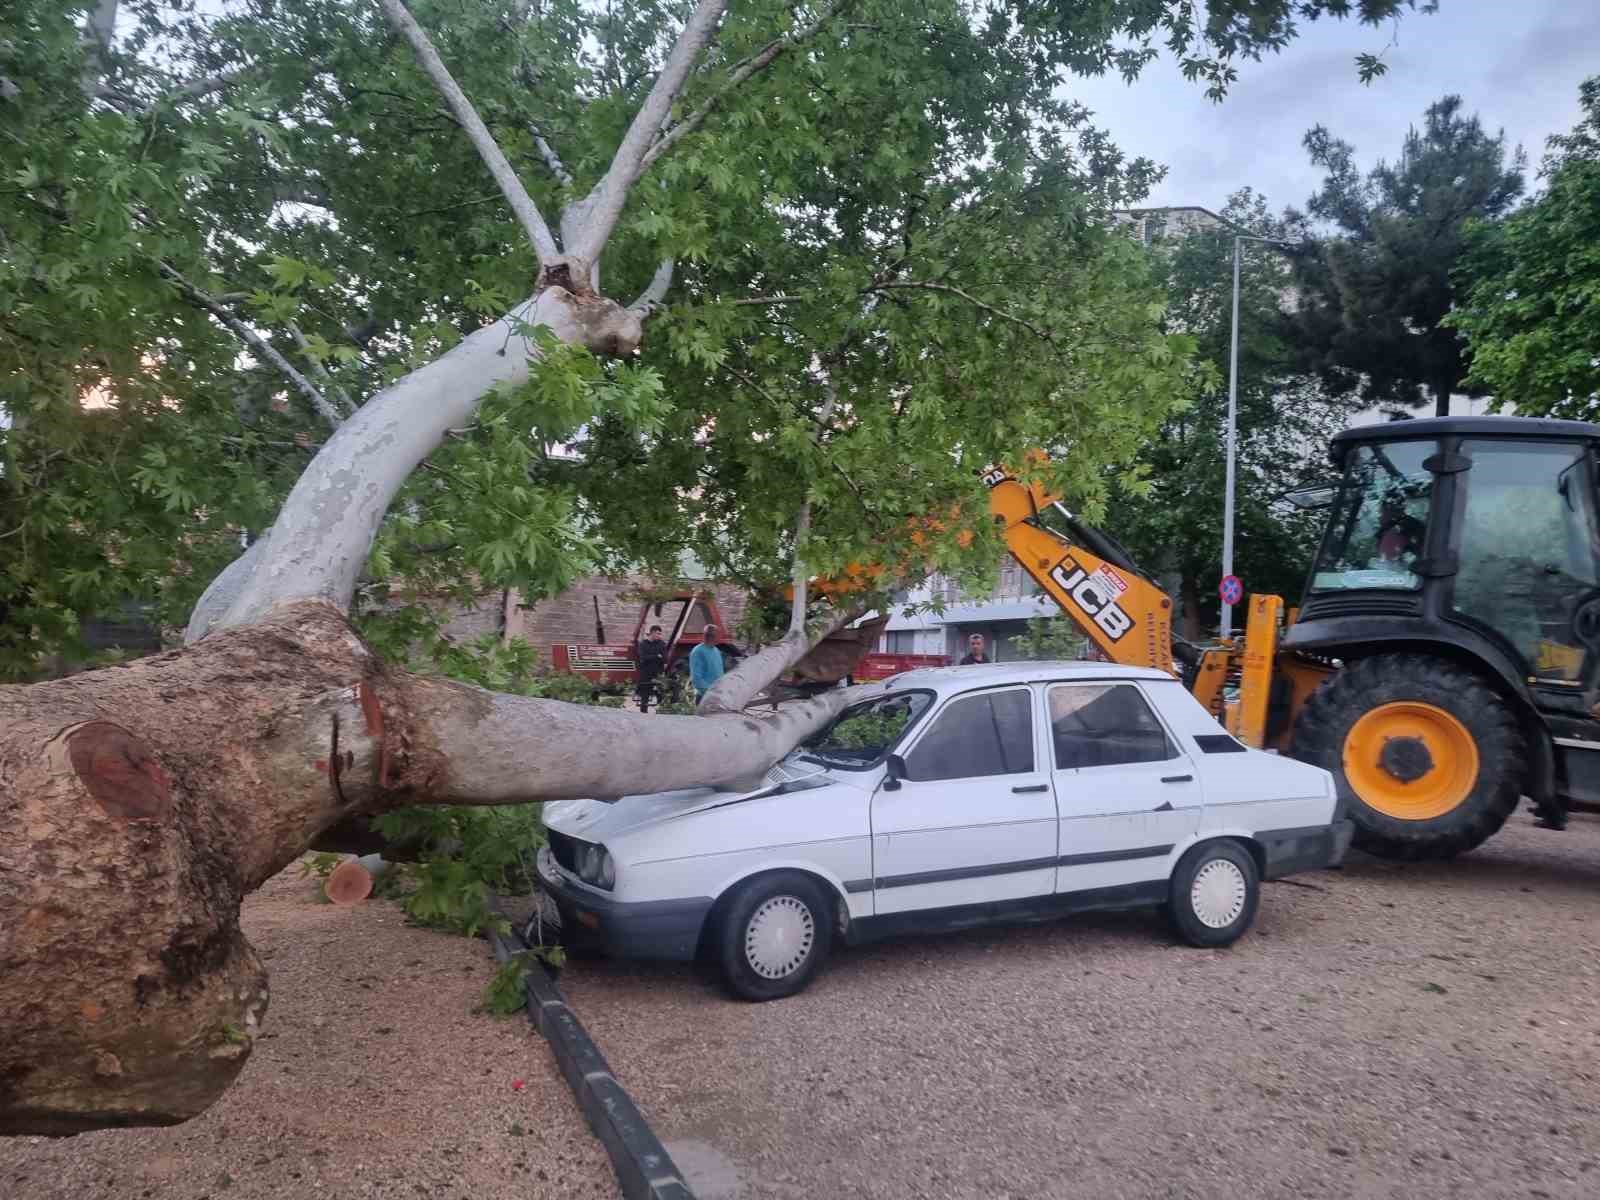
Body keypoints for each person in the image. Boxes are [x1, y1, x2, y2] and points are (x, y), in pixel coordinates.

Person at [635, 624, 668, 712]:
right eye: (658, 633)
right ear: (652, 633)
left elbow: (665, 659)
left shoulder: (662, 644)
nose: (659, 636)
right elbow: (643, 658)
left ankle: (662, 711)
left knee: (661, 692)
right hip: (646, 672)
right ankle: (643, 712)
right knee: (645, 694)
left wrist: (655, 657)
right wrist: (657, 656)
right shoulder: (643, 644)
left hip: (657, 672)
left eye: (660, 634)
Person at [689, 624, 725, 701]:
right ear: (712, 636)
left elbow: (719, 672)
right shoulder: (698, 652)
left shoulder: (716, 650)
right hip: (705, 698)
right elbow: (697, 679)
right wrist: (711, 693)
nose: (721, 637)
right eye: (719, 635)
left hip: (717, 696)